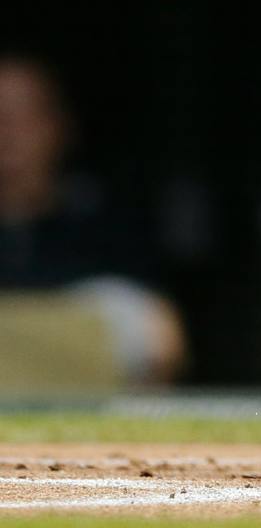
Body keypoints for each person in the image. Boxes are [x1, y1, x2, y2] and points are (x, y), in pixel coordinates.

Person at [0, 56, 187, 386]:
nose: (8, 132)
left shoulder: (106, 226)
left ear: (61, 126)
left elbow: (163, 345)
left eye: (25, 115)